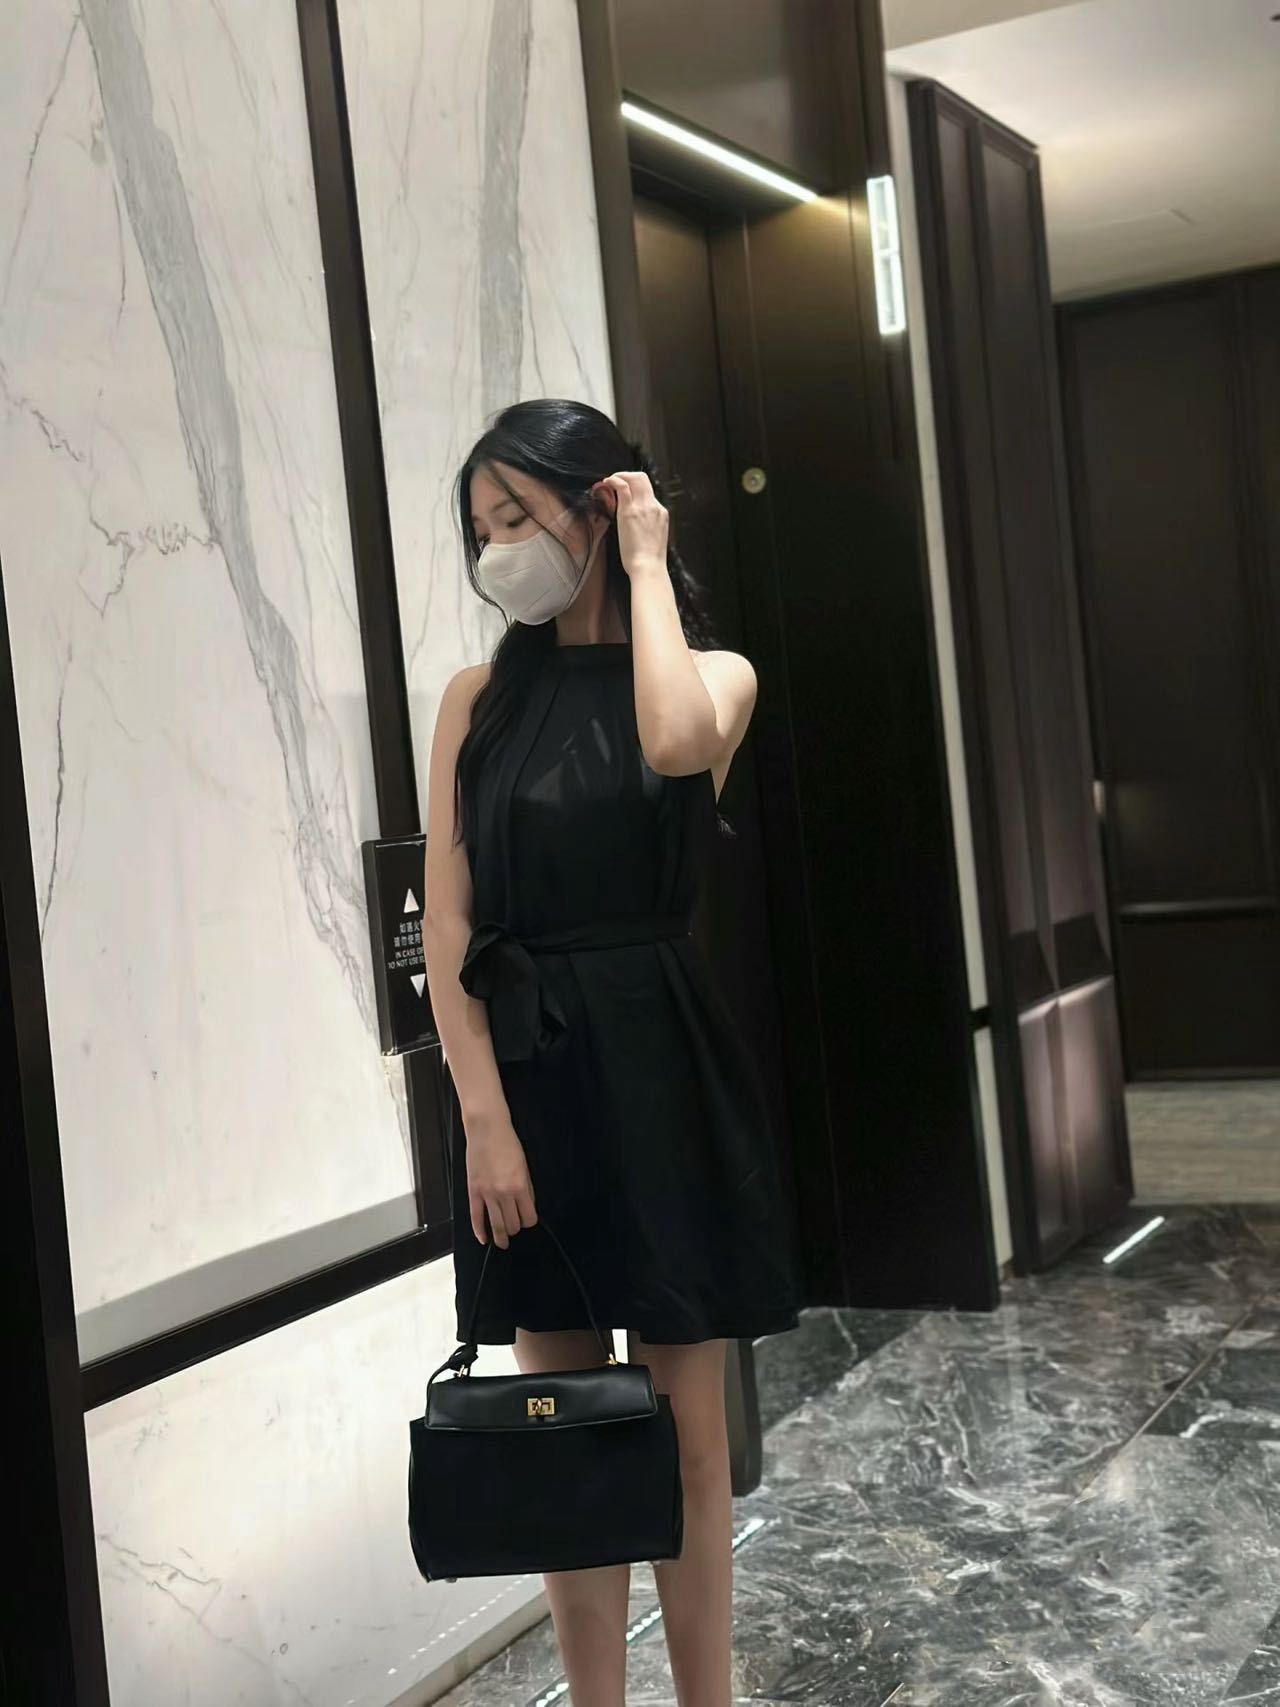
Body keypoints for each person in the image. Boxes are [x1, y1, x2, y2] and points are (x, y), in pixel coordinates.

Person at [421, 397, 802, 1705]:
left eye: (517, 518)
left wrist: (645, 566)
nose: (497, 551)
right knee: (565, 1436)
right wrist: (484, 1122)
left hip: (661, 1065)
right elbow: (449, 925)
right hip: (528, 1077)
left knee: (690, 1439)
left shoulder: (713, 674)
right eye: (480, 528)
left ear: (598, 506)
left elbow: (675, 743)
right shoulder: (476, 701)